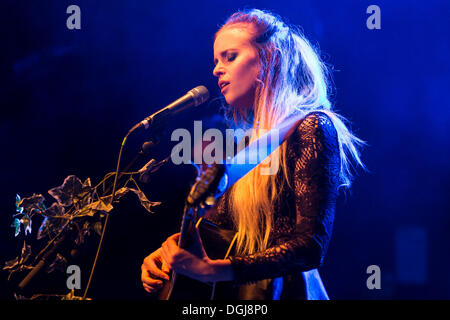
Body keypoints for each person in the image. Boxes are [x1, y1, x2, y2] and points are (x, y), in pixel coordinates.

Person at [141, 9, 365, 300]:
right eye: (216, 60)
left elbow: (311, 246)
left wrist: (212, 270)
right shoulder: (241, 145)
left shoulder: (312, 127)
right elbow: (220, 232)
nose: (216, 70)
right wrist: (169, 253)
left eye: (229, 56)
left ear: (269, 57)